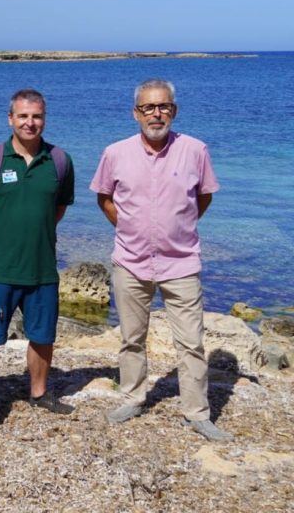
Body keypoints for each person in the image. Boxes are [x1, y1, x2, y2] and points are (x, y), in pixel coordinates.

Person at [90, 79, 231, 442]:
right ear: (135, 112)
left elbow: (203, 198)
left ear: (175, 110)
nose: (156, 114)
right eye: (148, 107)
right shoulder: (115, 152)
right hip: (131, 262)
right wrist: (131, 228)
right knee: (131, 338)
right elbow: (104, 197)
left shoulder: (195, 150)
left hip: (180, 263)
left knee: (191, 343)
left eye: (163, 106)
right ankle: (133, 398)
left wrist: (177, 227)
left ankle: (197, 413)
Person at [0, 88, 75, 416]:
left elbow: (58, 208)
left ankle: (39, 393)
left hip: (42, 269)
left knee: (43, 336)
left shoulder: (59, 160)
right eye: (24, 116)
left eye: (37, 116)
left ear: (45, 118)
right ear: (10, 118)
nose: (30, 123)